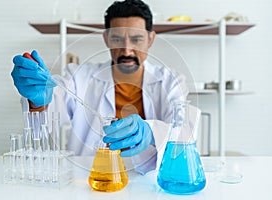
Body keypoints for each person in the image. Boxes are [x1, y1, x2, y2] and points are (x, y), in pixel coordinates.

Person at [11, 0, 189, 174]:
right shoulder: (79, 76)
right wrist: (38, 101)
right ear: (106, 38)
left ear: (150, 39)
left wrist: (151, 132)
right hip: (92, 177)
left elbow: (183, 132)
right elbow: (46, 120)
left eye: (136, 39)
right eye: (117, 39)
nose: (127, 51)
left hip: (149, 178)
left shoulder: (171, 81)